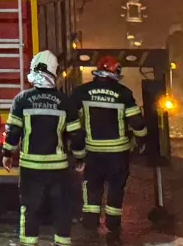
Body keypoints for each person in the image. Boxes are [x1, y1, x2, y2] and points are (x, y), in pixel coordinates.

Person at [67, 55, 147, 245]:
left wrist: (76, 151)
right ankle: (112, 229)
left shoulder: (81, 92)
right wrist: (142, 140)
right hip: (118, 155)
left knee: (92, 190)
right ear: (116, 72)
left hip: (93, 154)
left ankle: (90, 229)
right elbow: (137, 122)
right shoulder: (124, 93)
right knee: (115, 190)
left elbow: (70, 122)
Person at [3, 50, 77, 246]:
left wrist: (7, 154)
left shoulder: (21, 99)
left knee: (30, 209)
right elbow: (76, 135)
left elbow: (13, 132)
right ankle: (62, 243)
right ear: (54, 72)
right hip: (58, 169)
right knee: (61, 209)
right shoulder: (64, 101)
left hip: (31, 168)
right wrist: (80, 158)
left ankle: (29, 243)